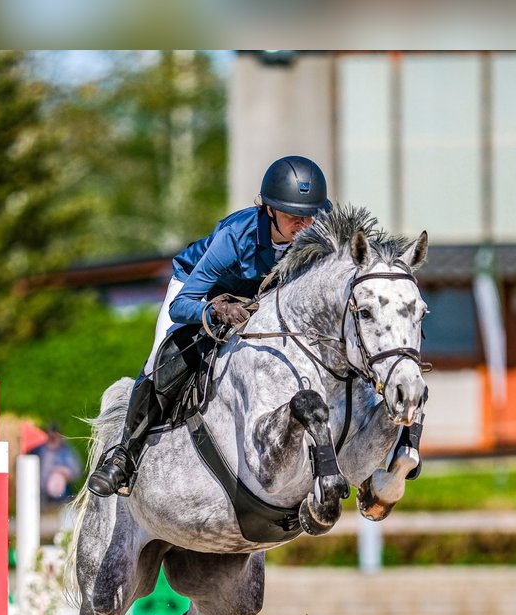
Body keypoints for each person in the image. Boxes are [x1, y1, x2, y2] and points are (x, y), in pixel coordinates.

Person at [87, 155, 332, 498]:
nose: (303, 225)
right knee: (163, 358)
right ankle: (123, 457)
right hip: (197, 291)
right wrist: (216, 310)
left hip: (254, 302)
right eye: (294, 216)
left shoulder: (314, 234)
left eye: (310, 216)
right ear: (270, 210)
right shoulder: (236, 236)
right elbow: (182, 304)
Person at [32, 422, 82, 504]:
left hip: (62, 493)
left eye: (55, 437)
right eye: (50, 437)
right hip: (40, 493)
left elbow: (76, 471)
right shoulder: (39, 450)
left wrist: (64, 472)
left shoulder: (66, 451)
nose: (53, 440)